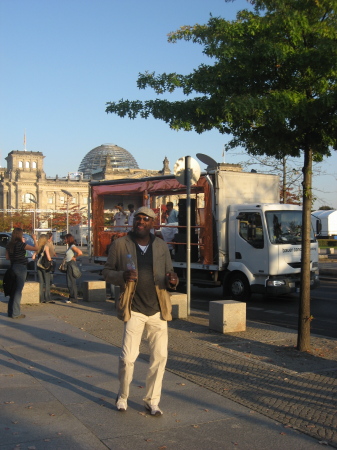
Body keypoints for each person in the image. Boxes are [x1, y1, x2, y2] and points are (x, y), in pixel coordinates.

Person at [103, 206, 178, 416]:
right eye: (138, 218)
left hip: (157, 310)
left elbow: (170, 273)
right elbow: (107, 272)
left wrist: (173, 281)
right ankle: (123, 395)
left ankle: (152, 400)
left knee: (160, 357)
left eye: (146, 219)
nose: (141, 222)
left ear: (152, 223)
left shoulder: (161, 246)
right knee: (127, 358)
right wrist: (122, 277)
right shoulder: (120, 245)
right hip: (134, 309)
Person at [5, 228, 38, 319]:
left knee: (13, 290)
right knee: (18, 290)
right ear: (20, 235)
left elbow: (7, 257)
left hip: (12, 267)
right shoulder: (21, 245)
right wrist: (34, 238)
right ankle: (16, 313)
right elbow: (36, 248)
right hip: (21, 267)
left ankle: (10, 311)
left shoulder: (9, 245)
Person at [63, 234, 82, 303]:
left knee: (71, 281)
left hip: (70, 264)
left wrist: (75, 257)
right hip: (68, 263)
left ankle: (73, 298)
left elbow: (80, 252)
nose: (64, 240)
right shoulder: (70, 246)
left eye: (65, 239)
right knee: (70, 281)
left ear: (68, 239)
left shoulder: (72, 246)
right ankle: (71, 296)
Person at [35, 234, 53, 303]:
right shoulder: (46, 247)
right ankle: (47, 298)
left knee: (41, 282)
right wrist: (51, 262)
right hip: (45, 266)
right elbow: (48, 257)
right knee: (47, 282)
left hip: (39, 265)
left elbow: (34, 256)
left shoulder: (38, 247)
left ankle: (41, 298)